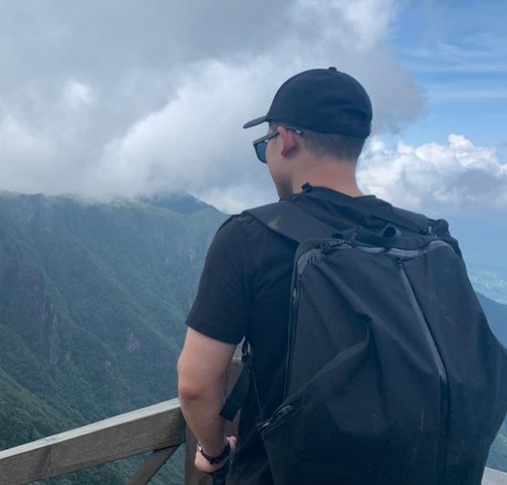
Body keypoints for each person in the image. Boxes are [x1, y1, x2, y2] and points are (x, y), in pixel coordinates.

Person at [176, 67, 459, 483]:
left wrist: (215, 454)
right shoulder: (428, 236)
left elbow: (197, 385)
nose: (266, 155)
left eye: (264, 144)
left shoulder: (250, 236)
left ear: (286, 140)